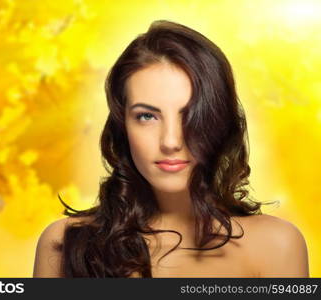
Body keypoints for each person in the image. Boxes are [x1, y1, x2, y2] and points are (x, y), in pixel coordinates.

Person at [33, 20, 309, 278]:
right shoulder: (65, 245)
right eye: (147, 116)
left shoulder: (277, 246)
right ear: (122, 126)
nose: (171, 141)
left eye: (189, 114)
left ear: (218, 121)